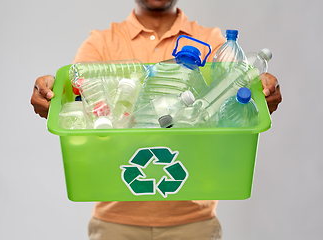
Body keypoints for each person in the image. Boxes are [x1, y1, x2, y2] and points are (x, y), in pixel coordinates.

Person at [31, 0, 282, 239]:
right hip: (114, 223)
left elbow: (234, 95)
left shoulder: (212, 41)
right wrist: (49, 97)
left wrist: (258, 94)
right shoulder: (102, 43)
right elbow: (75, 95)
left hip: (194, 222)